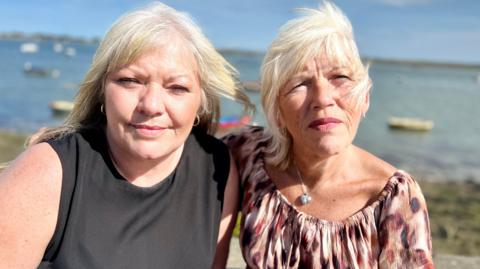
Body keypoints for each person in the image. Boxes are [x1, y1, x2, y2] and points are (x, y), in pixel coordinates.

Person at [0, 2, 252, 268]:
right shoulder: (47, 171)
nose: (152, 105)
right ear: (101, 91)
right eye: (130, 81)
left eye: (177, 87)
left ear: (201, 100)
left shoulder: (216, 168)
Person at [223, 2, 434, 268]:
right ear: (276, 110)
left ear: (365, 98)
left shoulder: (394, 197)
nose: (322, 99)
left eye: (340, 78)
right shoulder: (248, 154)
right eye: (300, 83)